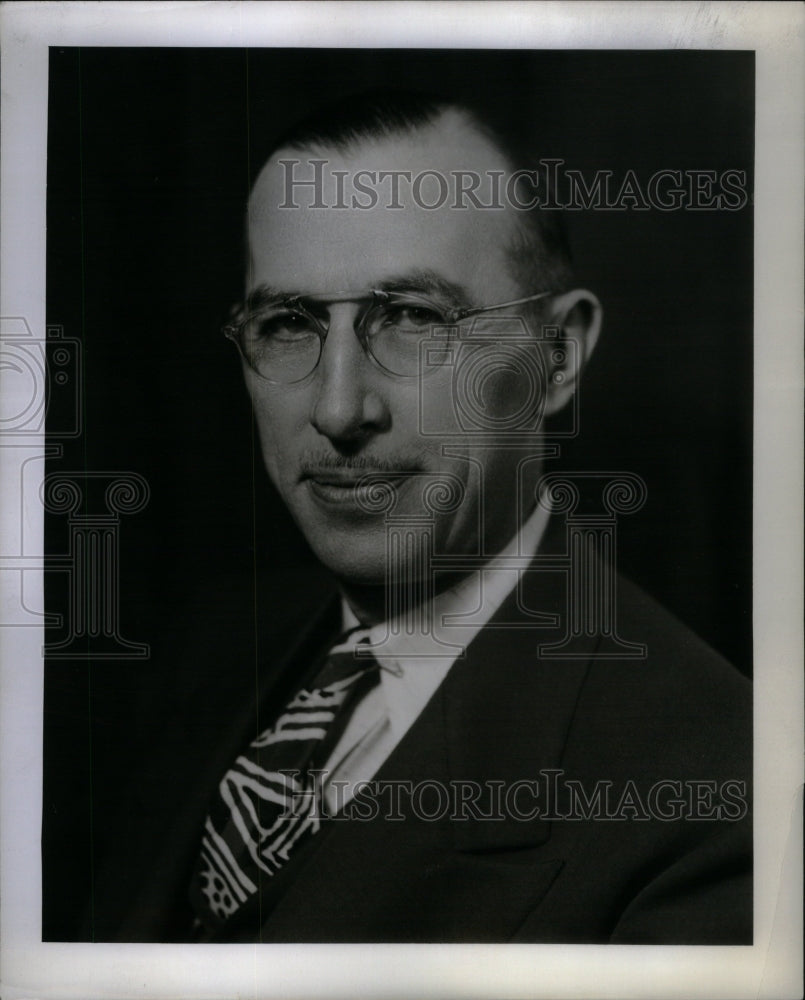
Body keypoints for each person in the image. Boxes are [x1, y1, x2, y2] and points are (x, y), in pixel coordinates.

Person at [85, 90, 751, 944]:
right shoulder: (205, 655)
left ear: (555, 359)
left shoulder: (717, 795)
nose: (336, 409)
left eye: (410, 319)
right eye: (286, 323)